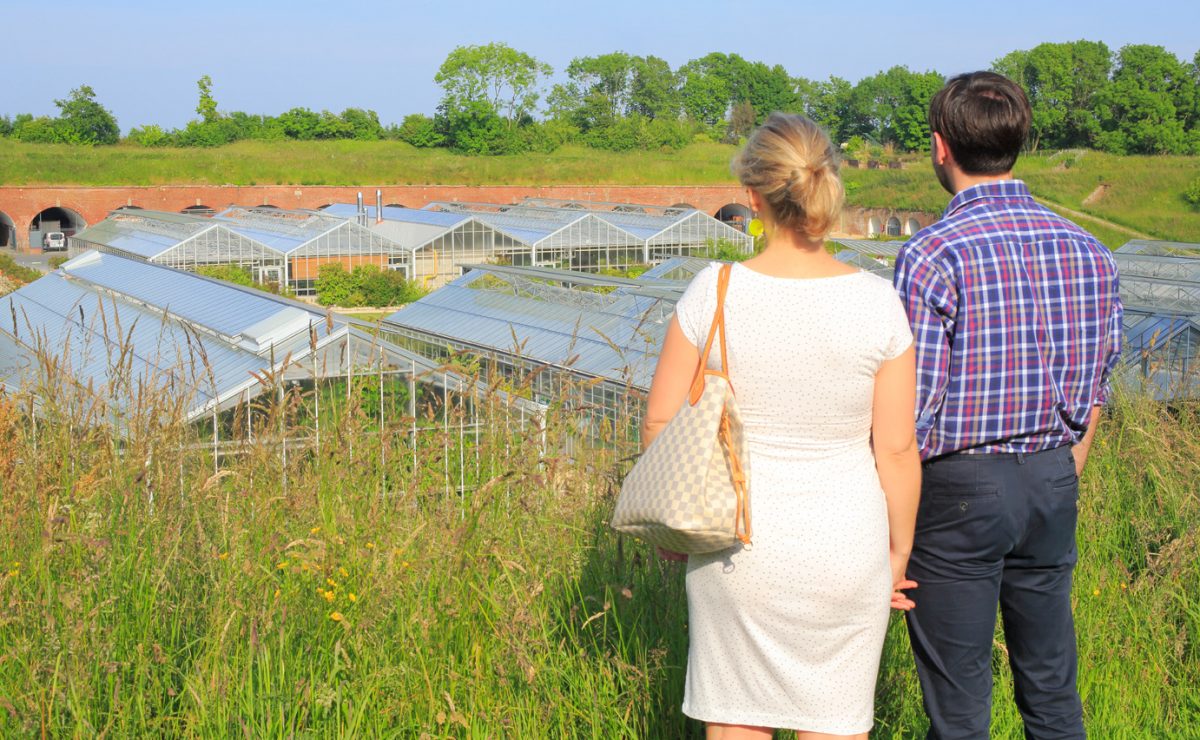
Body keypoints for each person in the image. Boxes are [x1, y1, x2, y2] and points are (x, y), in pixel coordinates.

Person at [644, 113, 921, 739]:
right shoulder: (879, 301)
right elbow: (897, 448)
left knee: (736, 724)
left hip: (734, 544)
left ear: (751, 197)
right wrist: (897, 553)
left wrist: (671, 527)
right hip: (849, 549)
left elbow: (661, 417)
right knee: (836, 724)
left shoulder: (712, 290)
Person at [893, 71, 1123, 739]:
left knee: (960, 705)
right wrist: (1064, 466)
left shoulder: (932, 253)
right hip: (1053, 475)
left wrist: (894, 530)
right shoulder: (1090, 249)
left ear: (941, 147)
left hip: (958, 486)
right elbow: (1098, 381)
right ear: (1018, 141)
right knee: (1052, 690)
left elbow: (913, 409)